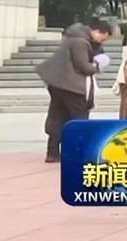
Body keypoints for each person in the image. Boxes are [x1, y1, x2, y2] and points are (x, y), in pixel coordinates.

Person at [37, 19, 112, 163]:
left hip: (57, 84)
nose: (102, 41)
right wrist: (97, 66)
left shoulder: (72, 38)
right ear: (97, 31)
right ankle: (78, 152)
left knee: (57, 117)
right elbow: (82, 65)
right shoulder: (80, 42)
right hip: (72, 86)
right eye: (103, 38)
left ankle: (52, 152)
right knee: (79, 118)